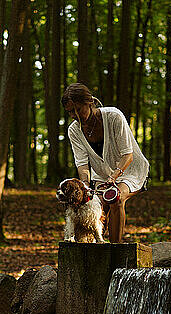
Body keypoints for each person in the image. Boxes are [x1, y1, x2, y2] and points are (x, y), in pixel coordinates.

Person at [61, 82, 149, 243]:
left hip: (130, 170)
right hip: (102, 175)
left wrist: (113, 178)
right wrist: (85, 185)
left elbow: (127, 155)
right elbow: (82, 163)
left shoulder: (113, 116)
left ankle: (115, 250)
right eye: (70, 112)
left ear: (89, 102)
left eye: (78, 109)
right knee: (94, 207)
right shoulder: (74, 130)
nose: (75, 115)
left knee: (115, 198)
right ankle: (95, 246)